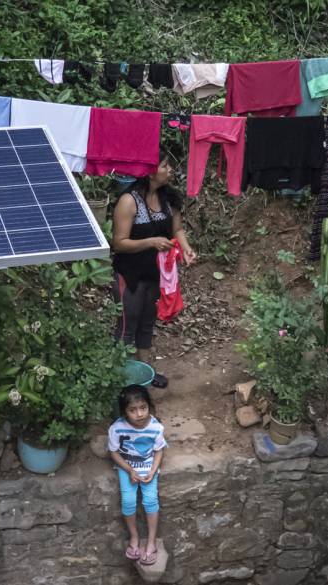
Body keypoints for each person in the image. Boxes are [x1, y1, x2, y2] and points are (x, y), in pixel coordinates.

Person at [111, 159, 196, 387]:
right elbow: (119, 244)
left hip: (156, 274)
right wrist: (151, 242)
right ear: (149, 172)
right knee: (127, 326)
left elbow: (177, 229)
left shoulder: (169, 199)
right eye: (164, 166)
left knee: (147, 323)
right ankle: (119, 378)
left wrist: (186, 249)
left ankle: (145, 371)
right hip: (129, 275)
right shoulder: (129, 201)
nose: (170, 170)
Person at [108, 385, 166, 565]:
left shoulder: (156, 427)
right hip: (127, 468)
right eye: (133, 410)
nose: (139, 414)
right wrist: (129, 470)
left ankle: (151, 542)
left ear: (149, 407)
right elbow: (114, 452)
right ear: (124, 413)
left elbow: (159, 451)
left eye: (143, 408)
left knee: (150, 501)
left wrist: (152, 470)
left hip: (148, 467)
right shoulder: (117, 428)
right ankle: (134, 538)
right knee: (128, 500)